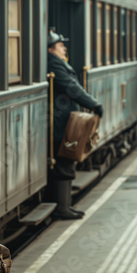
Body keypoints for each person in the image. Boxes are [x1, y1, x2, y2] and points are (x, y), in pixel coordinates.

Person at [47, 30, 103, 219]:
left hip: (64, 119)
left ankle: (65, 205)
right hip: (61, 121)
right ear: (50, 49)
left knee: (67, 160)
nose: (64, 49)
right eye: (61, 46)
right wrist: (93, 104)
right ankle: (62, 208)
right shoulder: (54, 62)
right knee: (64, 160)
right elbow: (72, 88)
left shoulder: (57, 62)